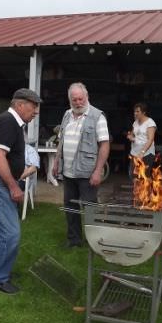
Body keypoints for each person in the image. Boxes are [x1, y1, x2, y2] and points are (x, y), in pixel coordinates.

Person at [0, 88, 41, 295]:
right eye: (33, 107)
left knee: (1, 233)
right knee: (11, 233)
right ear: (20, 105)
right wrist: (14, 186)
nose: (36, 112)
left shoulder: (13, 122)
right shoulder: (9, 121)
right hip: (0, 182)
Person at [52, 82, 110, 248]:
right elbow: (61, 140)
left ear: (87, 97)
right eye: (74, 99)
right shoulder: (67, 115)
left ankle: (96, 242)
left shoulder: (97, 116)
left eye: (80, 99)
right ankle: (74, 240)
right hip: (68, 171)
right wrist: (56, 162)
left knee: (90, 208)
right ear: (70, 100)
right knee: (70, 207)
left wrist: (98, 171)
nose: (78, 102)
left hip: (87, 172)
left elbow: (104, 145)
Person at [126, 103, 157, 178]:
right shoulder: (135, 122)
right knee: (133, 175)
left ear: (143, 112)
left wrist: (142, 152)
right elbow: (133, 134)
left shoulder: (150, 123)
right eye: (134, 111)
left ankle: (146, 190)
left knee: (144, 176)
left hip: (146, 154)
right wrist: (130, 137)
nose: (135, 113)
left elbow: (150, 139)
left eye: (137, 111)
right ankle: (135, 190)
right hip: (134, 153)